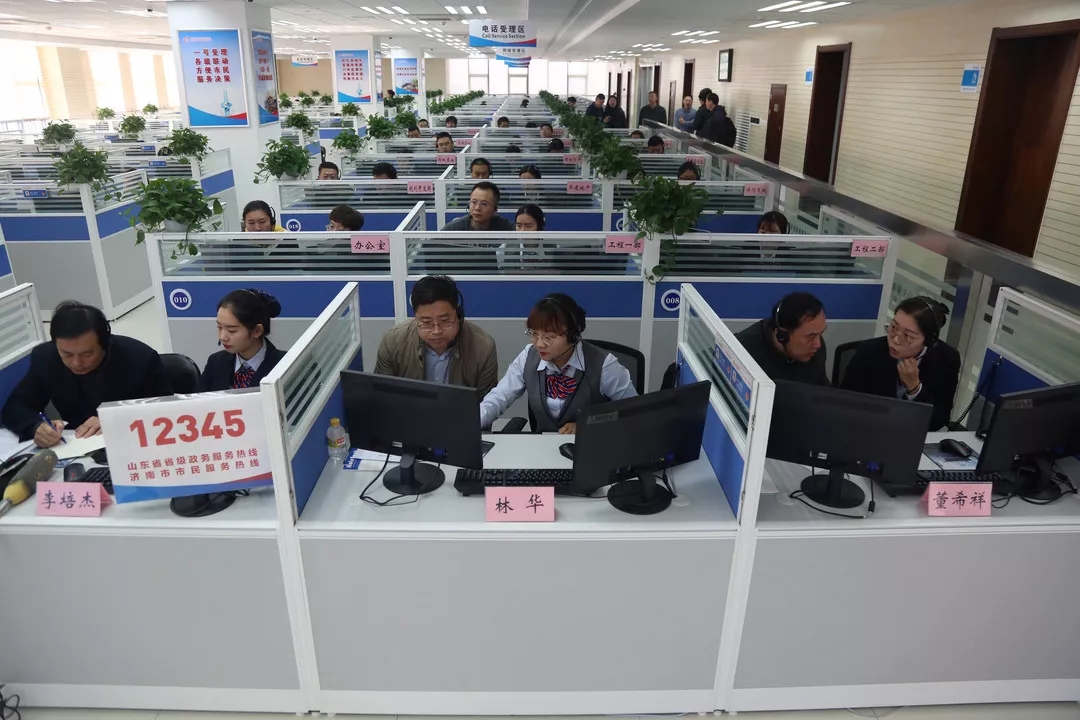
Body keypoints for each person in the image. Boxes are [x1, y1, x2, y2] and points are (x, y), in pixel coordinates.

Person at [1, 301, 172, 445]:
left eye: (87, 354)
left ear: (105, 344)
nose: (76, 363)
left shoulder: (140, 359)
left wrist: (115, 419)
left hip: (132, 443)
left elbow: (166, 411)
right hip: (77, 447)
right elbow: (15, 406)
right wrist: (35, 426)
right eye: (67, 354)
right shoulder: (45, 358)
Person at [479, 293, 636, 433]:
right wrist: (471, 423)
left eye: (549, 337)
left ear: (573, 335)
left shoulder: (604, 365)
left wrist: (588, 424)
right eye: (533, 334)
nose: (539, 344)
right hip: (543, 448)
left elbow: (633, 412)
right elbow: (499, 397)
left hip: (592, 446)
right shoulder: (528, 356)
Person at [842, 298, 961, 431]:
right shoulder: (868, 352)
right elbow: (846, 406)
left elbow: (939, 420)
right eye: (893, 327)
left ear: (928, 341)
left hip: (914, 435)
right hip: (869, 430)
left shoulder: (947, 359)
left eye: (908, 336)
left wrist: (915, 388)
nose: (895, 340)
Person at [374, 275, 498, 400]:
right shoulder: (392, 342)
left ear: (459, 315)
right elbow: (382, 399)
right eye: (426, 322)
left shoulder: (483, 348)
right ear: (415, 318)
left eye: (445, 321)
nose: (436, 331)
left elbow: (486, 405)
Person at [200, 290, 287, 392]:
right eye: (219, 327)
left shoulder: (284, 366)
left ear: (257, 331)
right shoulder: (216, 362)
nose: (223, 337)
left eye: (232, 330)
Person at [735, 292, 829, 385]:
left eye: (820, 334)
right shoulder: (743, 352)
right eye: (811, 337)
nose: (818, 344)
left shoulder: (816, 352)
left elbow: (821, 388)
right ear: (782, 336)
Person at [441, 181, 515, 231]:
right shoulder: (455, 228)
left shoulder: (506, 228)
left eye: (484, 204)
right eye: (474, 202)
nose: (477, 208)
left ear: (495, 209)